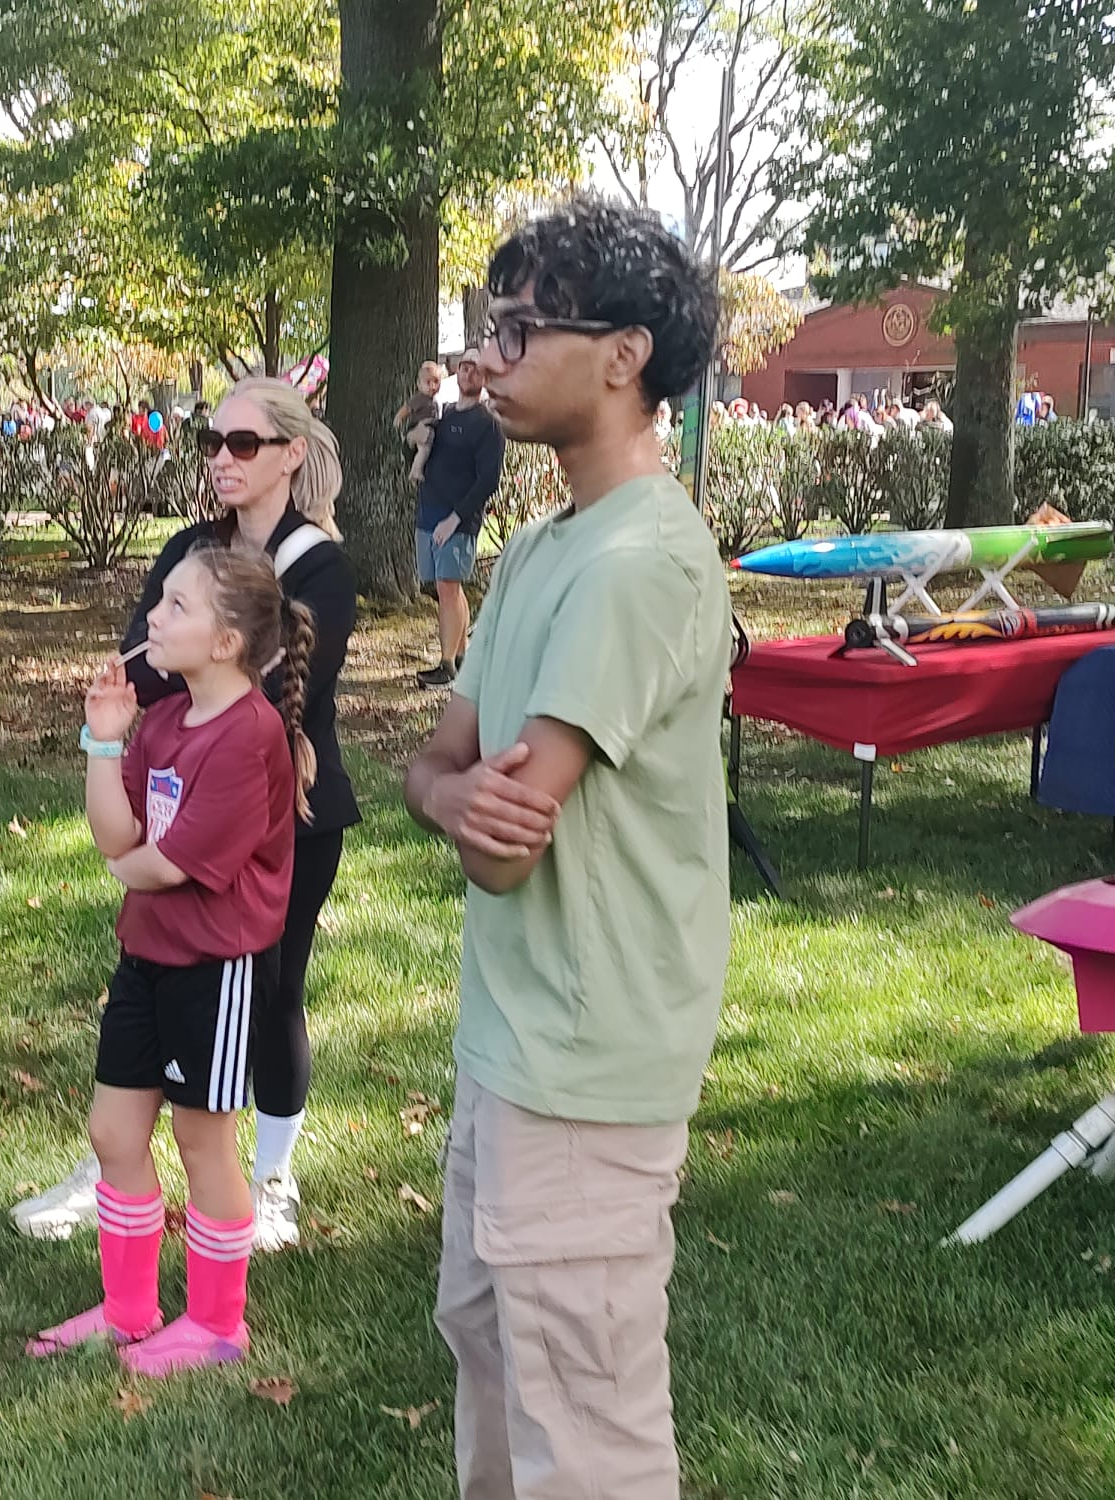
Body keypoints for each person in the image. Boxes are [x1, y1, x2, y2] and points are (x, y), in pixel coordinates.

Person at [404, 196, 732, 1499]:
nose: (487, 357)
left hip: (589, 1059)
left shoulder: (638, 563)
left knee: (584, 1430)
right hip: (513, 1036)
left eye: (519, 329)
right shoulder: (543, 548)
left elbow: (502, 848)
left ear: (623, 356)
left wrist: (461, 805)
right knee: (493, 1354)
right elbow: (438, 764)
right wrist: (451, 799)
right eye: (489, 327)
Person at [12, 378, 357, 1252]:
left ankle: (270, 1176)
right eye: (212, 441)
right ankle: (118, 1161)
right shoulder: (191, 550)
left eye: (243, 443)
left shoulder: (318, 563)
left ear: (291, 454)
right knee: (157, 986)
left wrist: (187, 701)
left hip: (284, 814)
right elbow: (147, 664)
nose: (221, 459)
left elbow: (277, 691)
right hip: (176, 792)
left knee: (270, 991)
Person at [26, 546, 313, 1377]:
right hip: (148, 953)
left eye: (177, 606)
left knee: (202, 1139)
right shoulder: (161, 718)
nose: (153, 614)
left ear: (227, 643)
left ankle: (219, 1325)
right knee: (113, 1131)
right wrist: (103, 741)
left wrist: (126, 864)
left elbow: (163, 865)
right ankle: (129, 1309)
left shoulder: (249, 733)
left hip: (214, 966)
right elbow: (117, 835)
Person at [415, 350, 505, 689]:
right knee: (449, 589)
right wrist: (413, 438)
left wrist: (455, 518)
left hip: (457, 521)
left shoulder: (488, 424)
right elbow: (422, 451)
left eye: (476, 369)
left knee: (447, 587)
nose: (469, 372)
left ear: (485, 377)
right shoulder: (445, 413)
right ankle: (464, 655)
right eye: (465, 366)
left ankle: (447, 666)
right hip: (428, 513)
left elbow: (488, 480)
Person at [396, 360, 448, 485]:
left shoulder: (436, 400)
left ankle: (415, 471)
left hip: (429, 428)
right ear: (419, 384)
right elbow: (407, 408)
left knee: (424, 450)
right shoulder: (419, 398)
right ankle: (416, 471)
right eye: (428, 382)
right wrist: (399, 418)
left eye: (436, 381)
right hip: (419, 426)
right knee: (424, 448)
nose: (433, 386)